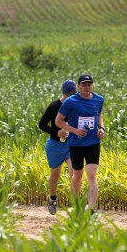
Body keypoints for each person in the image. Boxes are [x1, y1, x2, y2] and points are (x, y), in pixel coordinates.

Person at [55, 74, 106, 212]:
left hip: (93, 142)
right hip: (76, 144)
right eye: (84, 85)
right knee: (77, 176)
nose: (87, 87)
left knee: (92, 174)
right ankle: (77, 204)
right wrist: (74, 131)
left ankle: (90, 208)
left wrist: (101, 128)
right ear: (78, 86)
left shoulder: (98, 99)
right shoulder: (70, 102)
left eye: (89, 84)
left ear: (92, 86)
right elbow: (58, 121)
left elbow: (99, 115)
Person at [38, 80, 77, 214]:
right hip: (55, 145)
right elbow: (41, 124)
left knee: (74, 173)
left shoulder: (76, 105)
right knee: (55, 175)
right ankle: (53, 199)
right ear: (63, 94)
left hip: (71, 145)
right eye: (69, 94)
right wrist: (57, 132)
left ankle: (76, 204)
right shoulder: (54, 106)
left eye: (74, 94)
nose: (72, 97)